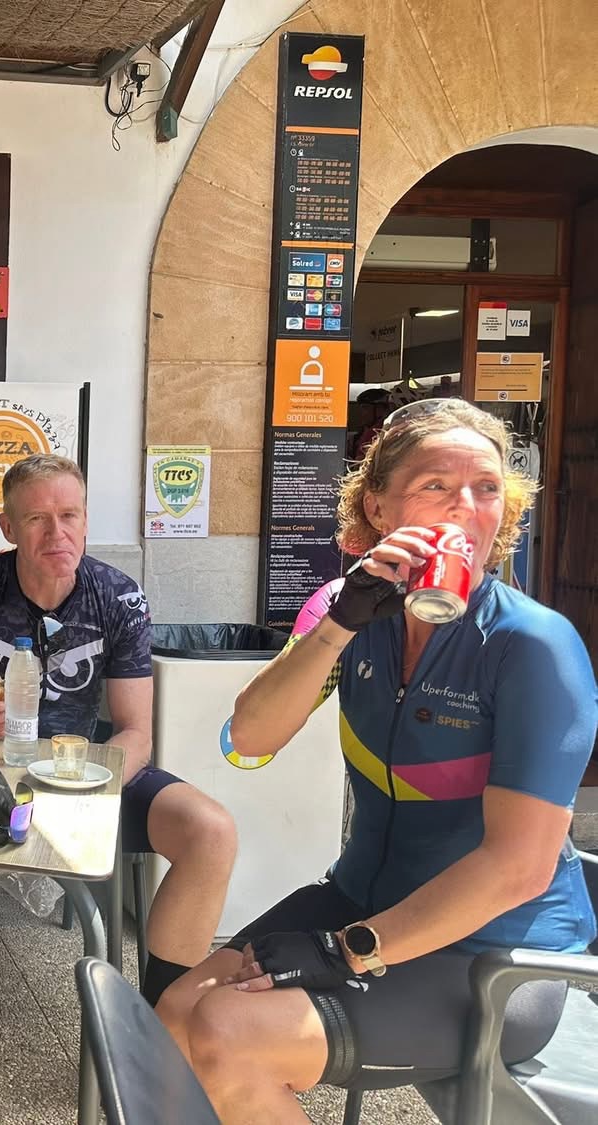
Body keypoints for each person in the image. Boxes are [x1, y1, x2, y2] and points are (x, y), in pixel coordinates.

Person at [159, 398, 596, 1123]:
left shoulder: (532, 646)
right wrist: (339, 622)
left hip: (492, 954)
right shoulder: (349, 609)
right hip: (364, 897)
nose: (465, 508)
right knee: (177, 1009)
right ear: (378, 507)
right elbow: (248, 741)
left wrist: (346, 950)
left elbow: (519, 869)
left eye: (486, 488)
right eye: (435, 486)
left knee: (228, 1033)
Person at [0, 453, 238, 1124]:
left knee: (210, 831)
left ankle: (153, 1047)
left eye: (70, 515)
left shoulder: (117, 595)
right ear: (8, 527)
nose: (58, 533)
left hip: (85, 772)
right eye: (38, 519)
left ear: (85, 518)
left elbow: (136, 731)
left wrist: (92, 793)